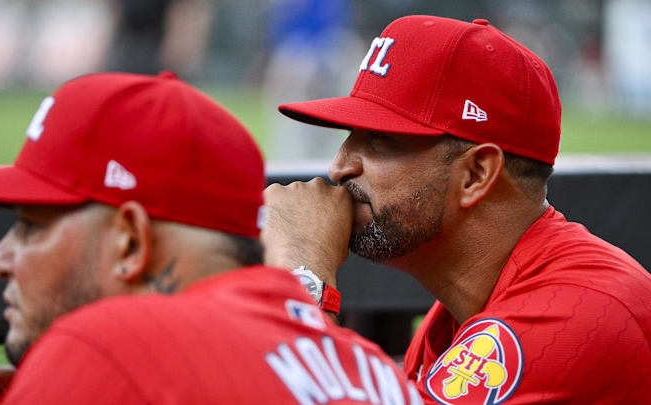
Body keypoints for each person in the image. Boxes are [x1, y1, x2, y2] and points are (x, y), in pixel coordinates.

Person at [0, 72, 421, 404]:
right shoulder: (373, 372)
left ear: (129, 242)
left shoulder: (102, 352)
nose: (0, 258)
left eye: (32, 226)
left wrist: (75, 379)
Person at [262, 15, 651, 404]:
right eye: (350, 137)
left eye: (380, 141)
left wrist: (305, 275)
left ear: (476, 174)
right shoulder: (460, 314)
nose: (339, 166)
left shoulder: (569, 316)